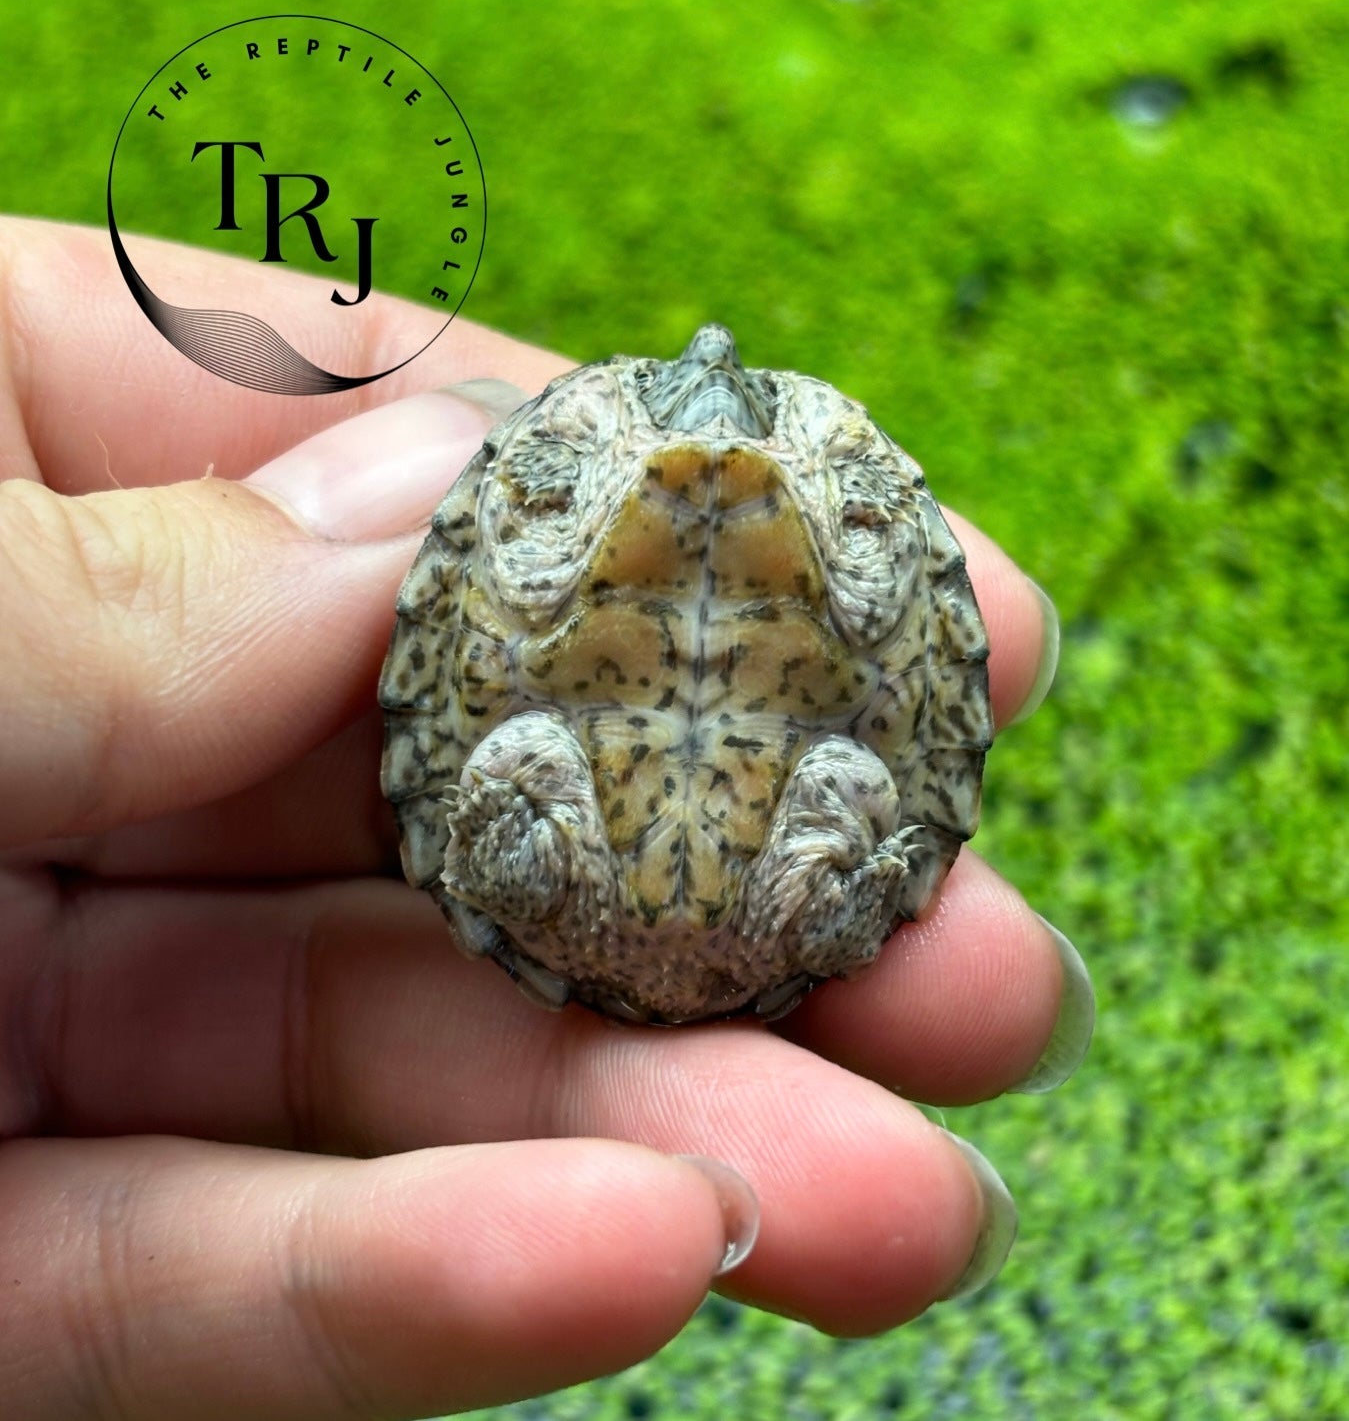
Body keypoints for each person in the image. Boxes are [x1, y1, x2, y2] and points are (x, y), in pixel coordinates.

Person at [0, 217, 1092, 1420]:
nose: (713, 368)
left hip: (583, 850)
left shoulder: (606, 459)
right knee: (838, 795)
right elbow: (900, 619)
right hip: (766, 867)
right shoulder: (832, 471)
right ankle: (783, 895)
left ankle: (542, 871)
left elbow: (505, 575)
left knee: (555, 759)